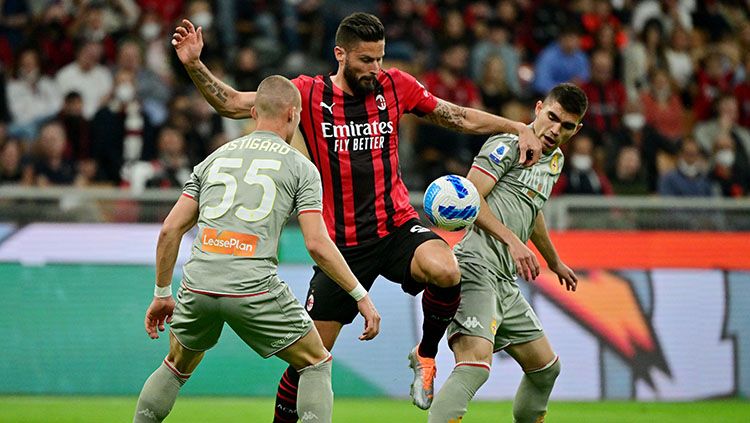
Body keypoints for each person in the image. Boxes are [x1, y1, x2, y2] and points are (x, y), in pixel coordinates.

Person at [172, 12, 544, 417]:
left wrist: (515, 127)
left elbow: (455, 115)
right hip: (342, 246)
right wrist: (194, 64)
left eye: (380, 58)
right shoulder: (308, 94)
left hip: (398, 227)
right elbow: (232, 103)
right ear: (341, 55)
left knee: (446, 269)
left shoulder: (395, 86)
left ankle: (425, 355)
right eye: (366, 60)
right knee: (307, 360)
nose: (376, 69)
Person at [133, 75, 380, 423]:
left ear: (252, 113)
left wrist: (162, 292)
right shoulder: (300, 167)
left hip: (199, 280)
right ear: (293, 115)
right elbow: (316, 243)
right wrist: (360, 295)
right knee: (316, 362)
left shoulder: (213, 159)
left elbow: (171, 229)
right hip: (251, 285)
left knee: (176, 364)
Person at [428, 83, 587, 423]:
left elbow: (533, 209)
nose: (556, 129)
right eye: (553, 117)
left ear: (577, 129)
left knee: (545, 368)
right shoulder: (507, 145)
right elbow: (470, 197)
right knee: (475, 366)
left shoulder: (554, 160)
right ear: (539, 108)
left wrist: (553, 260)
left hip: (504, 279)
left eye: (567, 125)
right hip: (474, 265)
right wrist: (513, 242)